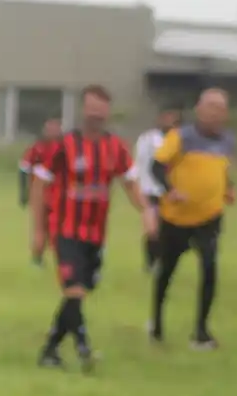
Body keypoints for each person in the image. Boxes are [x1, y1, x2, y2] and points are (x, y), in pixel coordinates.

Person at [28, 85, 158, 370]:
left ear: (107, 112)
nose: (96, 113)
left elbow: (131, 183)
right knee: (74, 289)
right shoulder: (63, 146)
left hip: (95, 234)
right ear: (83, 110)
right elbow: (39, 185)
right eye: (91, 107)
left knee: (79, 292)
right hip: (64, 229)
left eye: (101, 108)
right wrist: (38, 231)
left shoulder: (115, 148)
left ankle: (50, 350)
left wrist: (146, 211)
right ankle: (84, 350)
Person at [149, 88, 235, 349]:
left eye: (220, 108)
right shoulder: (180, 137)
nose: (214, 113)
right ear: (198, 109)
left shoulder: (227, 141)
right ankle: (157, 324)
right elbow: (156, 166)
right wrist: (170, 190)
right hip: (176, 218)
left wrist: (229, 187)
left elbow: (222, 170)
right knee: (167, 271)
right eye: (210, 107)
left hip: (209, 216)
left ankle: (201, 331)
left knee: (209, 268)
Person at [133, 107, 182, 271]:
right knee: (152, 229)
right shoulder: (148, 139)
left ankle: (163, 261)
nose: (170, 122)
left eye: (173, 118)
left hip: (168, 191)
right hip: (149, 189)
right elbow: (141, 163)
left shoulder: (178, 139)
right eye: (167, 117)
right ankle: (151, 263)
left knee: (166, 229)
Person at [17, 117, 62, 266]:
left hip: (60, 193)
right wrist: (23, 193)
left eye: (55, 126)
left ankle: (63, 259)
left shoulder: (66, 147)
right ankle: (37, 259)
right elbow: (24, 169)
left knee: (60, 227)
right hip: (39, 193)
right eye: (49, 127)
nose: (52, 130)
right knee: (39, 227)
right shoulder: (37, 148)